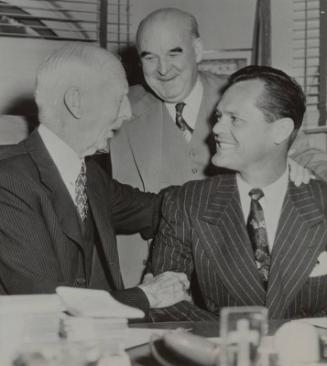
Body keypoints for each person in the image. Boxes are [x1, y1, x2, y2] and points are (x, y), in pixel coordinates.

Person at [110, 7, 327, 286]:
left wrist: (296, 167)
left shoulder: (239, 95)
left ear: (198, 51)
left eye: (174, 53)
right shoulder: (118, 108)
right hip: (151, 279)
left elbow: (303, 153)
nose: (163, 69)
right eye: (149, 57)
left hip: (238, 278)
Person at [0, 43, 190, 318]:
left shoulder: (89, 174)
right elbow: (47, 305)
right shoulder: (8, 182)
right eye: (118, 98)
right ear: (75, 102)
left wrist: (239, 190)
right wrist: (148, 295)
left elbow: (158, 208)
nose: (127, 112)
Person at [150, 65, 327, 321]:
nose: (216, 129)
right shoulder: (188, 203)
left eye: (235, 119)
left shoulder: (321, 202)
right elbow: (163, 303)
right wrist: (237, 341)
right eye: (219, 117)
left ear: (280, 130)